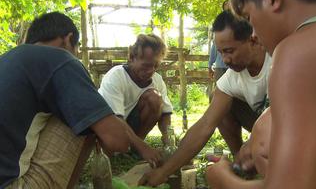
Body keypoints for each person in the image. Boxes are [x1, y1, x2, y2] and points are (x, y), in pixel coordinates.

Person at [206, 0, 316, 188]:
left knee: (267, 132)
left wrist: (224, 181)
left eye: (249, 18)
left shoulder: (299, 51)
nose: (253, 34)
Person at [0, 12, 135, 189]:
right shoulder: (59, 58)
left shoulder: (8, 58)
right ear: (68, 39)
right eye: (77, 50)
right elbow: (118, 141)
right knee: (86, 116)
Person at [139, 10, 271, 186]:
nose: (225, 60)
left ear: (253, 40)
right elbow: (205, 124)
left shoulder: (279, 60)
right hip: (264, 127)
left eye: (230, 51)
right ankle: (241, 162)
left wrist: (253, 143)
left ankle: (254, 162)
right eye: (221, 52)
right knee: (219, 104)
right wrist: (167, 167)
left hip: (292, 129)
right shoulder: (231, 78)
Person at [98, 34, 173, 165]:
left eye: (156, 65)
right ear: (132, 58)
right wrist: (144, 148)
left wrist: (169, 143)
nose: (151, 70)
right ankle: (133, 147)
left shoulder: (157, 80)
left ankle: (133, 148)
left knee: (155, 98)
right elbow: (115, 119)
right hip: (109, 126)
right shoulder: (115, 77)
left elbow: (165, 113)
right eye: (146, 65)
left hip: (129, 125)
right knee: (109, 151)